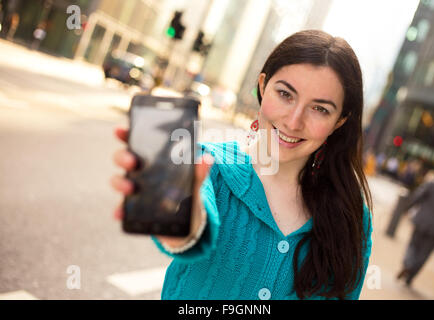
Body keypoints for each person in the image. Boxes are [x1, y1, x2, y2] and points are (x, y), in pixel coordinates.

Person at [111, 30, 373, 300]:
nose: (294, 122)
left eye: (320, 109)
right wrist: (178, 221)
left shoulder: (352, 216)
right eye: (285, 94)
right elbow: (192, 227)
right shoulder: (208, 166)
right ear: (262, 86)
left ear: (340, 121)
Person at [396, 166, 434, 287]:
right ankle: (410, 277)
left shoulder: (433, 184)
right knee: (424, 254)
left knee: (413, 245)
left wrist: (407, 209)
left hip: (421, 221)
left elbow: (417, 197)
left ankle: (408, 264)